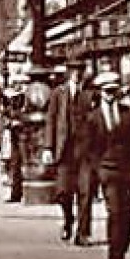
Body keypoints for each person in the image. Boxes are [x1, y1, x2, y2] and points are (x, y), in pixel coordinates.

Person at [80, 71, 130, 259]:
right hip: (108, 171)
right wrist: (98, 169)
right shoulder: (93, 118)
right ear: (100, 93)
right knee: (115, 211)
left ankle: (123, 245)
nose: (110, 95)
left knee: (128, 213)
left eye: (113, 91)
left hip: (129, 170)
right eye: (106, 91)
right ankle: (115, 255)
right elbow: (88, 148)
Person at [41, 63, 93, 245]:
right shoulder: (58, 93)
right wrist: (48, 147)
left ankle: (83, 233)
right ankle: (68, 220)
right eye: (74, 71)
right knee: (63, 191)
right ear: (69, 73)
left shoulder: (90, 94)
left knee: (85, 192)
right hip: (65, 150)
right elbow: (51, 120)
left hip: (85, 150)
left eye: (80, 71)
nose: (77, 74)